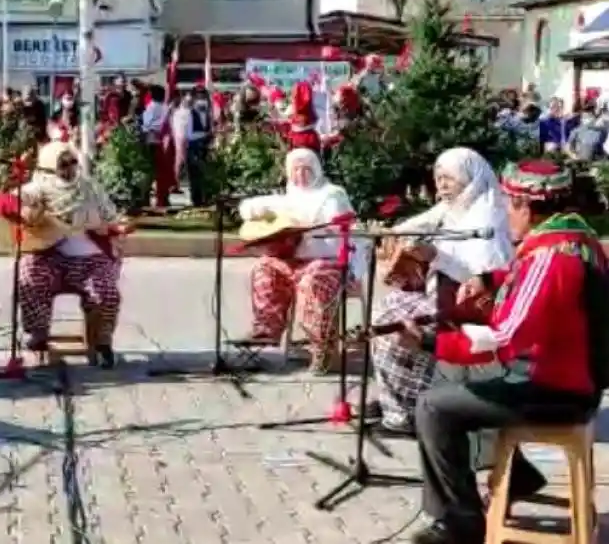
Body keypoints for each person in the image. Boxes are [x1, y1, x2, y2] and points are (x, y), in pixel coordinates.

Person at [408, 159, 608, 544]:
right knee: (453, 374)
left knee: (433, 405)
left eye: (508, 203)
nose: (504, 212)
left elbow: (501, 342)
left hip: (554, 388)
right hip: (570, 377)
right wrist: (489, 279)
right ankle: (516, 476)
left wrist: (430, 341)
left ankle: (459, 522)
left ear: (525, 208)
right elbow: (526, 280)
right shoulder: (575, 238)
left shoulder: (552, 259)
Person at [370, 148, 514, 435]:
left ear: (470, 180)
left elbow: (485, 282)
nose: (442, 186)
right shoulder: (453, 208)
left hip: (468, 309)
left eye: (449, 179)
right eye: (438, 178)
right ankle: (403, 397)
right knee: (385, 309)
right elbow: (418, 223)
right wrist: (390, 234)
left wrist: (435, 256)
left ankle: (405, 415)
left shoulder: (486, 216)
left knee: (390, 329)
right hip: (441, 295)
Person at [0, 141, 125, 369]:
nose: (69, 168)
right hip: (50, 258)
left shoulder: (90, 189)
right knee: (29, 275)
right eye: (62, 164)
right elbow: (4, 204)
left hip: (91, 260)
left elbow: (113, 218)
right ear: (48, 166)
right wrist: (22, 212)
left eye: (73, 162)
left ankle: (103, 342)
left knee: (105, 289)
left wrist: (116, 228)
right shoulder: (38, 188)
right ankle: (38, 335)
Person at [238, 148, 363, 374]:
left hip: (327, 263)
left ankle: (323, 349)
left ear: (316, 170)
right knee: (264, 267)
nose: (301, 175)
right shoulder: (288, 197)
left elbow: (341, 229)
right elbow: (247, 208)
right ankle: (267, 329)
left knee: (314, 277)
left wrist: (355, 271)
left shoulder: (332, 194)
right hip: (293, 262)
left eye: (306, 169)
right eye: (295, 170)